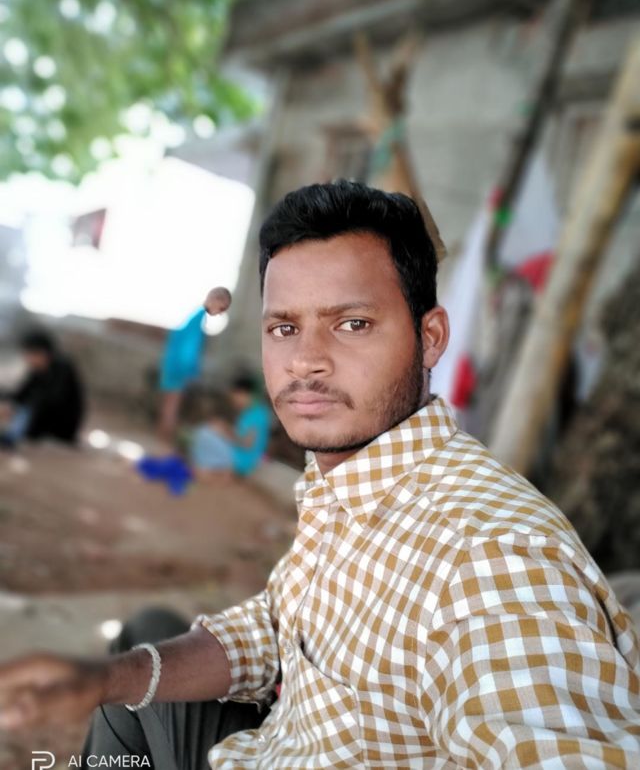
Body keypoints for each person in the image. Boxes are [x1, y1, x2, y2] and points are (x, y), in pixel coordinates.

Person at [1, 181, 639, 768]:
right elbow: (280, 627)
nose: (305, 361)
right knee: (136, 656)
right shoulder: (349, 480)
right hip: (278, 744)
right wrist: (109, 678)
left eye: (352, 324)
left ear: (431, 337)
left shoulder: (494, 559)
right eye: (285, 327)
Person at [158, 288, 231, 442]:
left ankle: (164, 434)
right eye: (222, 308)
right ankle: (166, 437)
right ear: (216, 301)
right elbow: (188, 350)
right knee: (172, 404)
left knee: (169, 403)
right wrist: (190, 372)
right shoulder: (198, 320)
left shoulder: (194, 315)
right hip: (178, 369)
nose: (220, 313)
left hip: (172, 364)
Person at [0, 328, 85, 447]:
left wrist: (16, 408)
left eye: (29, 354)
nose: (26, 358)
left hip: (61, 425)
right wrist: (8, 403)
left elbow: (53, 399)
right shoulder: (38, 370)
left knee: (27, 409)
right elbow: (21, 393)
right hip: (41, 420)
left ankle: (11, 437)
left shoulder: (63, 368)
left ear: (42, 353)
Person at [189, 374, 271, 481]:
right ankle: (210, 469)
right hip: (238, 453)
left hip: (243, 458)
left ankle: (214, 471)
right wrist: (224, 428)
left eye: (235, 397)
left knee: (204, 434)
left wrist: (225, 431)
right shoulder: (251, 412)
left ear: (244, 394)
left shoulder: (257, 414)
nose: (234, 401)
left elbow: (248, 444)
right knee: (206, 431)